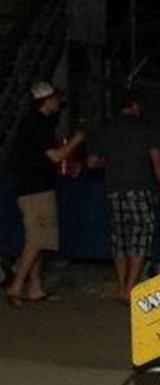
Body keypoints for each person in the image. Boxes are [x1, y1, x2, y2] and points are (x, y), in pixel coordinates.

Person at [6, 81, 86, 307]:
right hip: (35, 189)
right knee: (38, 239)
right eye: (55, 98)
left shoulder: (38, 122)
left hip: (33, 187)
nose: (58, 102)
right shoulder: (38, 124)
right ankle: (16, 285)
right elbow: (56, 157)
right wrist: (76, 141)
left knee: (39, 239)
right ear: (46, 100)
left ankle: (35, 288)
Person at [95, 94, 160, 301]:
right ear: (136, 106)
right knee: (139, 237)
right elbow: (157, 160)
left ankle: (121, 285)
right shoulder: (145, 127)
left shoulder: (107, 128)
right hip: (139, 188)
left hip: (113, 188)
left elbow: (94, 161)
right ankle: (130, 287)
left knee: (119, 239)